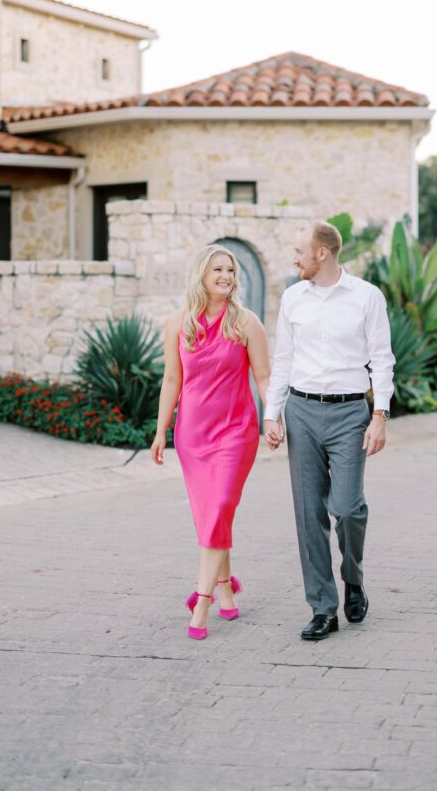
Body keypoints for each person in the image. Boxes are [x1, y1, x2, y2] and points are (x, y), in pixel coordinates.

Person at [263, 221, 395, 641]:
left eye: (299, 250)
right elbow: (283, 359)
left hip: (350, 413)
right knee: (308, 514)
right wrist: (272, 414)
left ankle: (353, 579)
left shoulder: (366, 297)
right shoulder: (292, 298)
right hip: (301, 411)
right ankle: (323, 607)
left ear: (322, 253)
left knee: (348, 507)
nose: (294, 257)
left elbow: (382, 359)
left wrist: (381, 415)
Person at [150, 244, 271, 641]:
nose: (226, 276)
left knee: (219, 505)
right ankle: (225, 589)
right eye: (218, 269)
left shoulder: (247, 322)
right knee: (210, 515)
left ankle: (200, 600)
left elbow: (264, 377)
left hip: (236, 431)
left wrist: (273, 416)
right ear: (202, 274)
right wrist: (160, 430)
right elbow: (172, 380)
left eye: (231, 270)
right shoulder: (179, 323)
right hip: (192, 434)